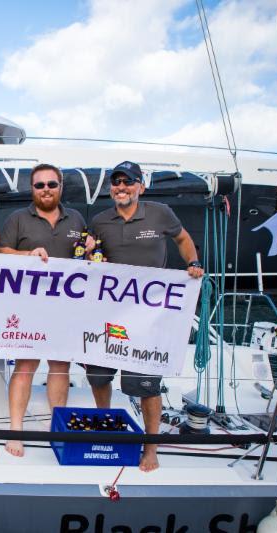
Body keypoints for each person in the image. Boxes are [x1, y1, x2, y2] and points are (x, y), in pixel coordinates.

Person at [87, 160, 204, 472]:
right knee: (98, 376)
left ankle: (150, 449)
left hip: (149, 317)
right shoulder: (99, 220)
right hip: (109, 315)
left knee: (146, 386)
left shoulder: (160, 213)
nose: (121, 188)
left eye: (128, 182)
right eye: (116, 182)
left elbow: (182, 239)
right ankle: (106, 427)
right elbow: (91, 255)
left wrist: (192, 262)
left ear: (140, 186)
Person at [0, 163, 91, 457]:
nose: (46, 190)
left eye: (52, 184)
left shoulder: (75, 218)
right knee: (25, 366)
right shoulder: (17, 219)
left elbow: (86, 257)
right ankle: (15, 431)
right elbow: (0, 252)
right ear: (32, 189)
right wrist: (28, 254)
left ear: (61, 187)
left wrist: (89, 249)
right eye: (40, 185)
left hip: (65, 308)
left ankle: (57, 428)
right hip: (28, 307)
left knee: (60, 367)